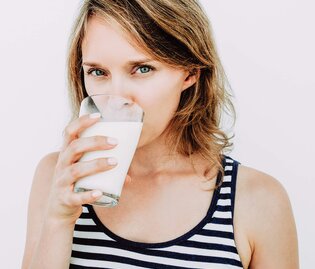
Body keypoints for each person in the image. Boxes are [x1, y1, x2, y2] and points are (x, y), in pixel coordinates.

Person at [22, 0, 299, 268]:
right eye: (98, 72)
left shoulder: (257, 202)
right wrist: (58, 220)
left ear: (190, 71)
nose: (116, 97)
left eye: (142, 69)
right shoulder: (57, 179)